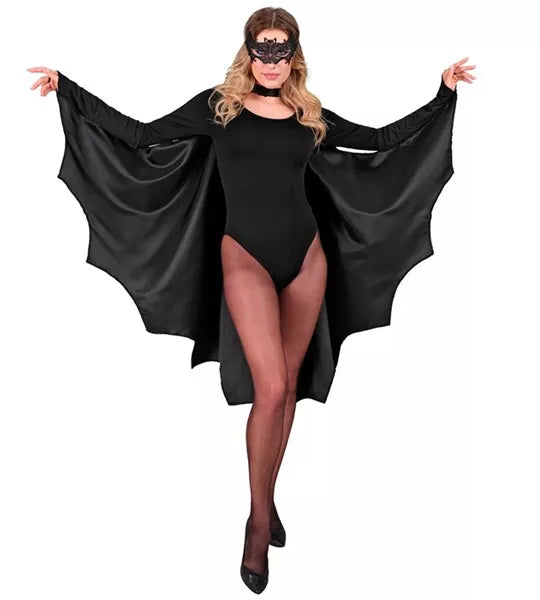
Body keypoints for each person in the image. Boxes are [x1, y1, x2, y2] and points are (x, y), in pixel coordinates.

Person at [28, 6, 474, 594]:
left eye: (280, 49)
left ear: (293, 55)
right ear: (248, 51)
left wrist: (442, 95)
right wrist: (69, 89)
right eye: (262, 48)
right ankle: (258, 523)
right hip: (244, 255)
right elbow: (139, 134)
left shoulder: (310, 115)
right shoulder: (219, 108)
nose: (271, 60)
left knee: (287, 388)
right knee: (271, 387)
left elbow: (380, 140)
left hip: (307, 258)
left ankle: (265, 497)